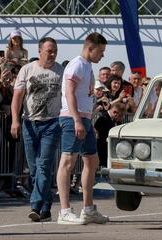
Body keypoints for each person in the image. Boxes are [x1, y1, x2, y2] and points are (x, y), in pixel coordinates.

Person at [57, 32, 109, 225]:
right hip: (72, 117)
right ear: (90, 48)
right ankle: (64, 211)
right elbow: (68, 93)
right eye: (101, 51)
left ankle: (88, 209)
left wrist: (87, 121)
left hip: (84, 118)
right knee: (68, 161)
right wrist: (77, 120)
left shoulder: (87, 66)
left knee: (92, 161)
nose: (102, 56)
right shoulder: (77, 64)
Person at [10, 37, 64, 222]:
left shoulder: (60, 71)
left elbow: (67, 96)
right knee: (34, 169)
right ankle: (46, 207)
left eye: (55, 50)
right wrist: (15, 120)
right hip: (29, 123)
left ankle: (35, 204)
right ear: (39, 50)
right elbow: (17, 97)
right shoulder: (27, 69)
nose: (52, 54)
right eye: (49, 50)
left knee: (44, 165)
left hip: (52, 123)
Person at [94, 102, 126, 167]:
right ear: (115, 112)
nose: (121, 118)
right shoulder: (102, 119)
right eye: (120, 116)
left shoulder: (117, 121)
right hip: (103, 151)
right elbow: (101, 138)